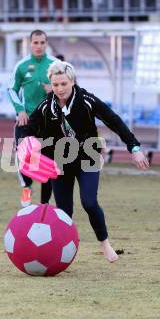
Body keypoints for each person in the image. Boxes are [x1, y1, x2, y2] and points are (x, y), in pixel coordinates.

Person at [22, 60, 150, 262]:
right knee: (64, 213)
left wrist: (133, 147)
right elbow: (28, 128)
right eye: (55, 85)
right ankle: (63, 252)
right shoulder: (47, 105)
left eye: (64, 83)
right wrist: (26, 144)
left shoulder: (87, 100)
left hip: (87, 157)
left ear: (72, 81)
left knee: (89, 202)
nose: (60, 88)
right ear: (51, 85)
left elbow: (113, 120)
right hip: (60, 162)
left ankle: (105, 244)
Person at [8, 29, 57, 207]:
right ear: (30, 44)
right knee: (23, 156)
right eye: (35, 43)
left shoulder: (56, 65)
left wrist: (55, 91)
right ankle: (26, 187)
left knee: (48, 161)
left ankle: (45, 203)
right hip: (26, 119)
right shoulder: (21, 66)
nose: (39, 46)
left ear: (46, 44)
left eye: (42, 43)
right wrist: (19, 110)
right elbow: (11, 89)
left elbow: (71, 89)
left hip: (49, 121)